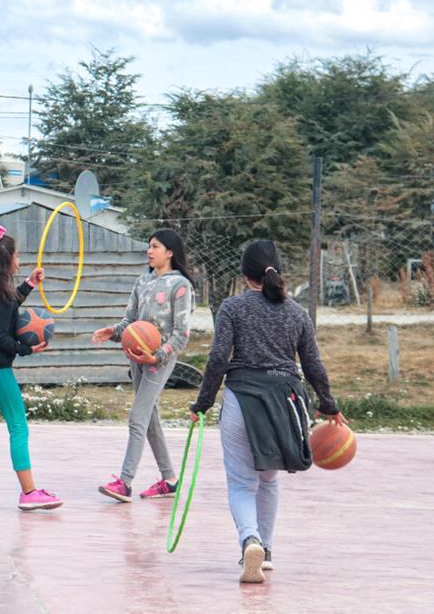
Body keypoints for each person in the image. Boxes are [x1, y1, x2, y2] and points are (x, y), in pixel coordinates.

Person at [190, 240, 343, 584]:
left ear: (245, 275)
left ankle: (250, 540)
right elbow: (314, 364)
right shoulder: (297, 313)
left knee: (242, 482)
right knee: (269, 480)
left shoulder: (232, 307)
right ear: (278, 271)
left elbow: (217, 359)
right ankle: (267, 551)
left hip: (242, 400)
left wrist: (201, 403)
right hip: (285, 403)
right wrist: (329, 405)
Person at [0, 224, 62, 512]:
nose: (19, 259)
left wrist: (28, 284)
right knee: (18, 427)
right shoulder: (1, 296)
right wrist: (26, 349)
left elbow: (4, 308)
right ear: (7, 261)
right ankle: (29, 492)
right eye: (16, 255)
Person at [92, 229, 194, 503]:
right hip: (136, 357)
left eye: (155, 246)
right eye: (149, 246)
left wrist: (158, 356)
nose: (149, 251)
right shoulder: (142, 282)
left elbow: (181, 334)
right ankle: (170, 479)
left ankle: (124, 483)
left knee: (138, 417)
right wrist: (112, 332)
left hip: (158, 360)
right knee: (150, 419)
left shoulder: (180, 286)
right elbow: (129, 322)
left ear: (170, 252)